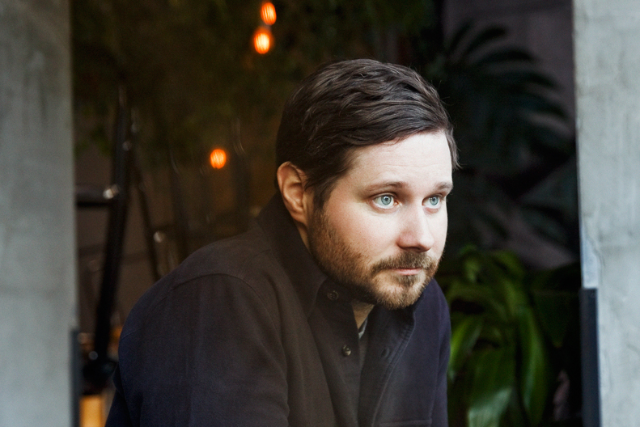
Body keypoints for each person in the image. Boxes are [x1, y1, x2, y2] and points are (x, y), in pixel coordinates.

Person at [106, 58, 458, 427]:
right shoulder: (221, 298)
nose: (421, 238)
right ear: (297, 192)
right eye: (385, 199)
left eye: (434, 199)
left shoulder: (424, 304)